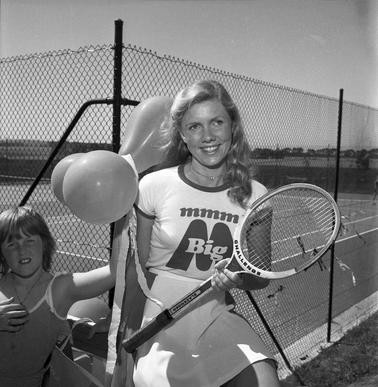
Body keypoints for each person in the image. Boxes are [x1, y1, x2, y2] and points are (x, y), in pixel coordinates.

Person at [131, 80, 280, 387]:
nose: (208, 136)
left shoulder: (257, 196)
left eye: (216, 122)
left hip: (215, 313)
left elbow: (260, 277)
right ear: (182, 134)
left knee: (265, 380)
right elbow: (137, 268)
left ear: (232, 126)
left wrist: (238, 278)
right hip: (160, 315)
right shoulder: (152, 186)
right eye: (195, 126)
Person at [0, 205, 117, 387]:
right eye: (11, 244)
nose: (21, 250)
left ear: (44, 243)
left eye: (29, 240)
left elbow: (116, 270)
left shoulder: (60, 288)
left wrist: (125, 215)